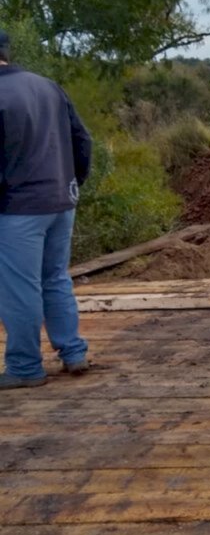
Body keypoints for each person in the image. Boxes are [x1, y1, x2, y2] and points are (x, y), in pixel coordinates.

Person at [0, 28, 92, 390]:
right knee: (55, 277)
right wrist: (72, 184)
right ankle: (72, 352)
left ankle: (24, 368)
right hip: (60, 201)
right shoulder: (47, 86)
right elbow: (82, 139)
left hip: (19, 209)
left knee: (19, 288)